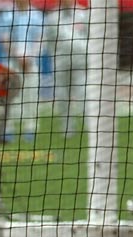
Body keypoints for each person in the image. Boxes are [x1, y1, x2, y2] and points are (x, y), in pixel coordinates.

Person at [0, 0, 46, 143]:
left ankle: (30, 128)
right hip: (10, 63)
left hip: (31, 64)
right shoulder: (7, 15)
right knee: (8, 97)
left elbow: (40, 39)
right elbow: (4, 39)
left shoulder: (36, 16)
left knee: (31, 96)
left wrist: (30, 57)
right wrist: (17, 56)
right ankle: (7, 129)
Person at [44, 0, 89, 138]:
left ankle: (90, 125)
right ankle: (67, 128)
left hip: (80, 62)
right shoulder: (53, 18)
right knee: (62, 96)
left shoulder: (83, 14)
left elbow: (90, 36)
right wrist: (56, 57)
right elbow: (49, 41)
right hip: (61, 62)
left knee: (84, 94)